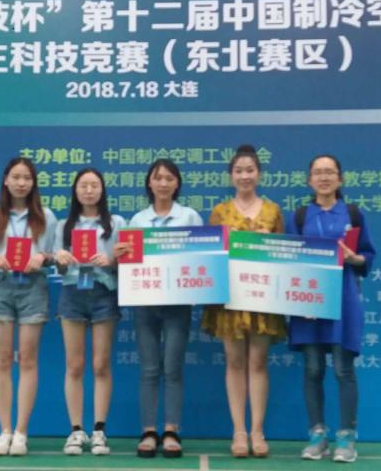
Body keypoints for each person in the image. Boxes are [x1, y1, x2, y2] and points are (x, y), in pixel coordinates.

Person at [286, 154, 376, 464]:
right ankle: (317, 435)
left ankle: (347, 437)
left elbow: (367, 256)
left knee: (343, 370)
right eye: (318, 173)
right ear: (309, 180)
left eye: (329, 172)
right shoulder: (300, 216)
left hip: (344, 301)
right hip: (308, 302)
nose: (324, 178)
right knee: (313, 370)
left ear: (340, 178)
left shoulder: (352, 213)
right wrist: (299, 299)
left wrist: (355, 259)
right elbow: (290, 261)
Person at [200, 145, 285, 458]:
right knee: (234, 362)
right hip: (231, 298)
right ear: (231, 176)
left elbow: (284, 257)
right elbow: (210, 256)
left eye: (250, 170)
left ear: (259, 174)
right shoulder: (220, 212)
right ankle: (238, 431)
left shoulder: (273, 211)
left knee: (258, 362)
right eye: (239, 171)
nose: (245, 176)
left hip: (262, 298)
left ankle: (257, 431)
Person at [117, 158, 203, 458]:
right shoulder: (138, 220)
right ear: (149, 183)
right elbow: (128, 264)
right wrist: (121, 255)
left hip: (178, 304)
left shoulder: (190, 216)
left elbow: (201, 259)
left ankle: (171, 430)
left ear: (177, 183)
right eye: (158, 178)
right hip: (145, 303)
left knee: (173, 368)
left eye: (169, 178)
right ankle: (149, 431)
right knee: (150, 369)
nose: (163, 183)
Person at [0, 157, 57, 456]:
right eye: (16, 177)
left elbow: (57, 254)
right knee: (2, 360)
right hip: (0, 286)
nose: (21, 183)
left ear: (34, 183)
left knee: (29, 360)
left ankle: (21, 432)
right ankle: (4, 431)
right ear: (6, 180)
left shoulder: (46, 216)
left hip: (33, 287)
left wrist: (43, 257)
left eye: (27, 178)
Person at [52, 168, 126, 456]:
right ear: (75, 190)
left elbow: (129, 260)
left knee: (101, 364)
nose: (89, 190)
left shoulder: (117, 223)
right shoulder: (63, 226)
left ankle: (99, 431)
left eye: (94, 185)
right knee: (74, 365)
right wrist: (60, 259)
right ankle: (75, 430)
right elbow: (59, 269)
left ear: (102, 190)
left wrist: (111, 260)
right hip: (72, 294)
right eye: (83, 185)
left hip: (104, 293)